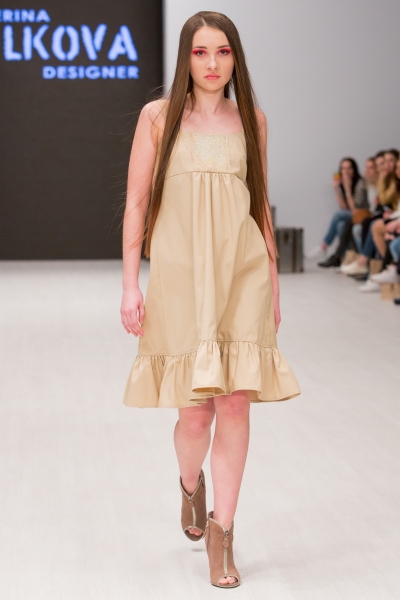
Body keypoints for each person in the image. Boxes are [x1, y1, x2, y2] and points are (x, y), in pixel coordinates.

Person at [120, 11, 300, 589]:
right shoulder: (158, 117)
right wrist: (130, 283)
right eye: (201, 52)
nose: (213, 63)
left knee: (235, 404)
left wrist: (273, 280)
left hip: (242, 275)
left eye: (222, 51)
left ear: (235, 58)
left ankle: (224, 534)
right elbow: (136, 202)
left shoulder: (253, 121)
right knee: (194, 415)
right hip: (180, 278)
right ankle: (190, 484)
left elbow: (259, 202)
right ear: (186, 58)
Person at [317, 158, 368, 267]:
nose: (346, 171)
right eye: (343, 168)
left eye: (349, 168)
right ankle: (345, 259)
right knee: (340, 225)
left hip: (363, 215)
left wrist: (348, 189)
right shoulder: (345, 183)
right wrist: (336, 188)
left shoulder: (360, 183)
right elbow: (344, 207)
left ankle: (324, 245)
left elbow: (354, 210)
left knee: (338, 214)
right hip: (353, 216)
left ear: (354, 169)